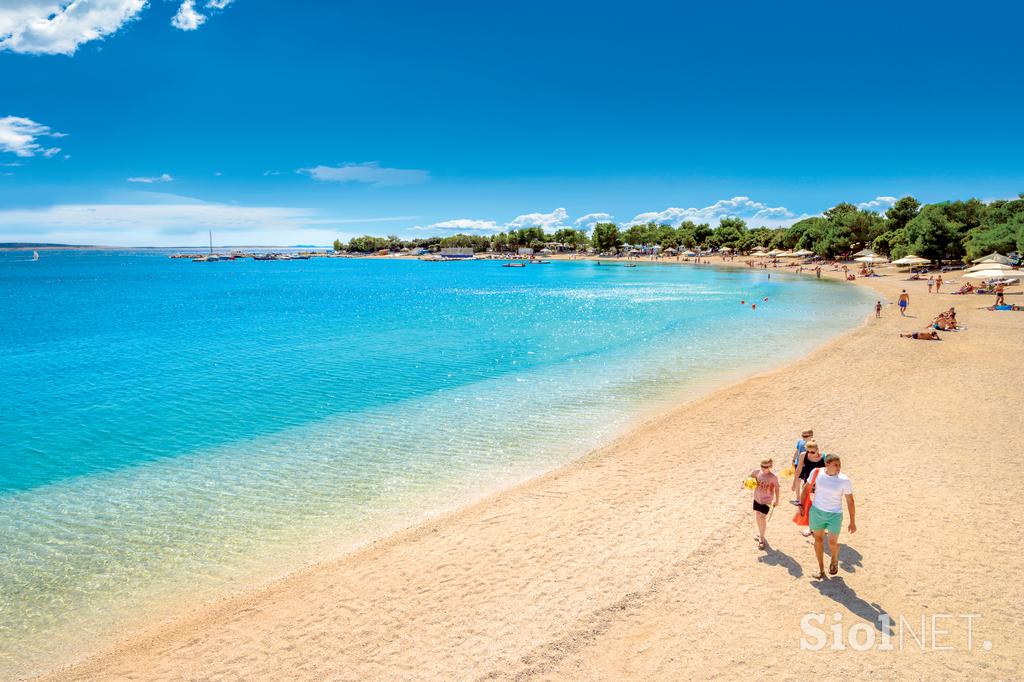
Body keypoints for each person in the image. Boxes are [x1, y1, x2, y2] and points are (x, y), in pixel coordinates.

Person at [801, 454, 856, 578]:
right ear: (827, 464)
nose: (838, 467)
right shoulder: (816, 472)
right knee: (818, 540)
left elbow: (850, 501)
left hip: (835, 515)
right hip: (817, 512)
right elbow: (806, 488)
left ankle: (834, 558)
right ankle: (821, 570)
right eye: (835, 465)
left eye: (839, 465)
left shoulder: (844, 480)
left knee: (832, 543)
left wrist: (852, 521)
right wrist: (801, 505)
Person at [749, 458, 780, 550]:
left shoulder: (773, 477)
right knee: (758, 516)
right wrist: (745, 483)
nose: (763, 468)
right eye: (762, 466)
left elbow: (777, 488)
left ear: (771, 467)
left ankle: (761, 538)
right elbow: (749, 478)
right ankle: (760, 532)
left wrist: (777, 500)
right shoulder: (757, 472)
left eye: (766, 467)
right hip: (757, 498)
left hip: (767, 500)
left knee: (762, 517)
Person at [790, 429, 813, 505]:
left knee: (806, 482)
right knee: (797, 480)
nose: (804, 438)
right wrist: (793, 460)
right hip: (798, 463)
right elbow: (797, 451)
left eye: (806, 436)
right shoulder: (800, 442)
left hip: (807, 465)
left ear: (811, 436)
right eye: (803, 436)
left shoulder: (813, 444)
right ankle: (797, 498)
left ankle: (805, 499)